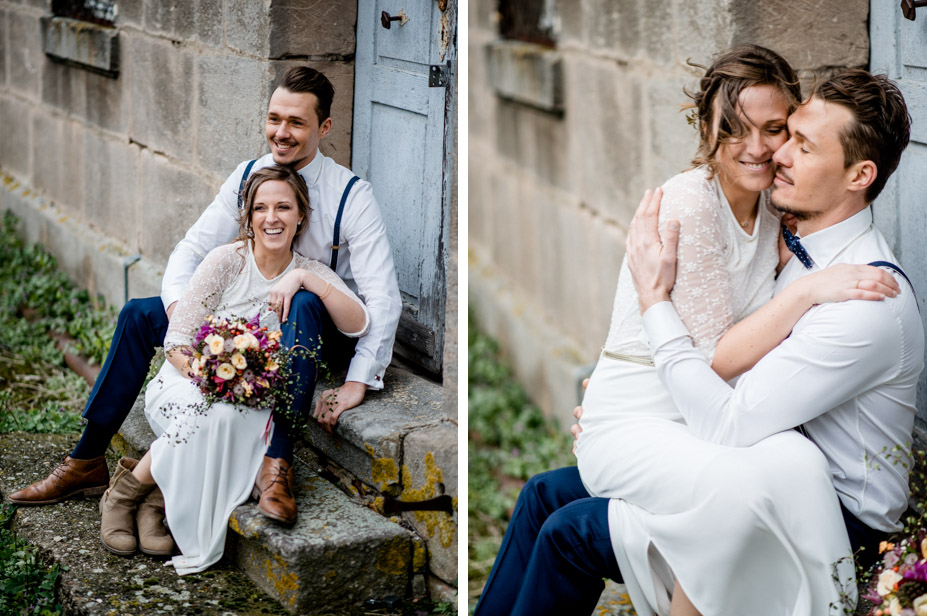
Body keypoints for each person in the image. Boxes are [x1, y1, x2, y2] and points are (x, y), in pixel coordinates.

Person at [473, 59, 920, 616]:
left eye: (800, 144)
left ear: (859, 176)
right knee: (546, 492)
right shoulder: (800, 243)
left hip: (829, 513)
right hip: (763, 459)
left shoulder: (864, 298)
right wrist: (631, 403)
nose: (776, 154)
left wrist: (653, 305)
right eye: (791, 136)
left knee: (572, 532)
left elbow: (729, 420)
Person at [9, 67, 402, 525]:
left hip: (313, 327)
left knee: (307, 301)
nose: (282, 132)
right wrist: (184, 316)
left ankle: (277, 466)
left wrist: (357, 379)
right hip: (241, 318)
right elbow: (192, 249)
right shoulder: (247, 176)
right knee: (139, 315)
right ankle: (86, 459)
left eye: (296, 122)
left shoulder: (352, 196)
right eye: (275, 118)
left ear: (324, 128)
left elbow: (383, 299)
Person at [97, 164, 368, 571]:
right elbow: (176, 342)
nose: (272, 218)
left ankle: (154, 494)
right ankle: (125, 495)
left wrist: (302, 280)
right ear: (249, 217)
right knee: (216, 412)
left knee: (239, 416)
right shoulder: (226, 260)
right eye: (261, 208)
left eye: (283, 207)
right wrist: (211, 378)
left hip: (250, 394)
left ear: (301, 216)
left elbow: (358, 322)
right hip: (190, 380)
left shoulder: (312, 272)